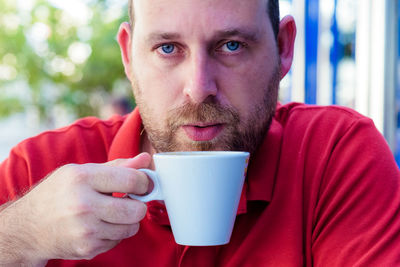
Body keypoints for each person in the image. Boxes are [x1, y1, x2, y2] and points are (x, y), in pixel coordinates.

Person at [0, 0, 399, 266]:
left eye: (230, 45)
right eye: (168, 49)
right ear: (128, 56)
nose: (199, 87)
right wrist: (24, 234)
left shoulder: (335, 154)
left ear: (283, 48)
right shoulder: (41, 169)